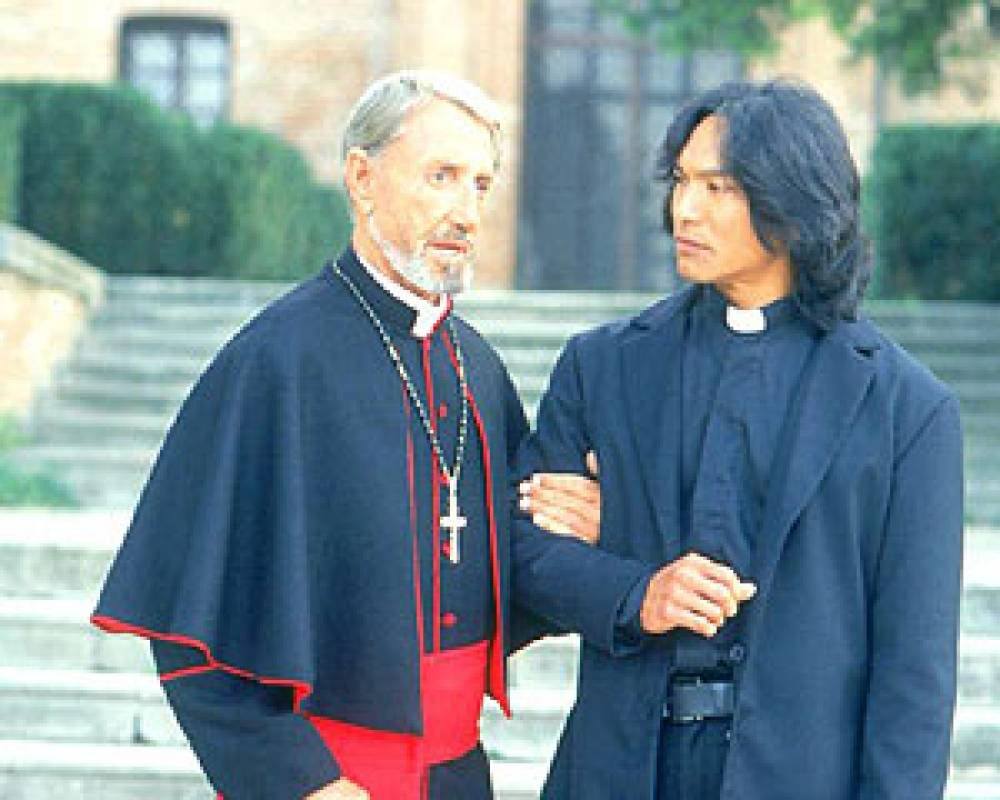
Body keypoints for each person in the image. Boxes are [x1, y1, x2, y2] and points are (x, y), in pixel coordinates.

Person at [92, 70, 600, 800]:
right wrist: (300, 781)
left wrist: (578, 528)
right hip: (326, 778)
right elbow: (188, 635)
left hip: (460, 777)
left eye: (481, 185)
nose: (465, 212)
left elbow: (507, 582)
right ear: (363, 179)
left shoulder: (478, 369)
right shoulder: (277, 361)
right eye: (441, 176)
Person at [513, 79, 964, 799]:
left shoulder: (907, 411)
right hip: (618, 772)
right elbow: (523, 550)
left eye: (717, 187)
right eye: (681, 181)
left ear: (795, 202)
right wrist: (637, 592)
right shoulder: (603, 367)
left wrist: (619, 527)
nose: (684, 209)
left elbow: (915, 674)